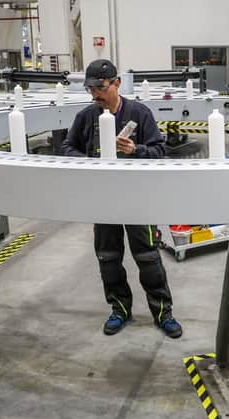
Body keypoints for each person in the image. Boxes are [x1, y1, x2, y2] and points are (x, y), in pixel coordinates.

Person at [61, 59, 182, 338]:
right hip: (103, 200)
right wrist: (89, 161)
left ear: (116, 83)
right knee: (108, 257)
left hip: (137, 199)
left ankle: (163, 313)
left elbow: (160, 152)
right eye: (90, 89)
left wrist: (136, 149)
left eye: (100, 88)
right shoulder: (86, 117)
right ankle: (119, 310)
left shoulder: (139, 114)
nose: (95, 95)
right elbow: (67, 147)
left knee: (148, 257)